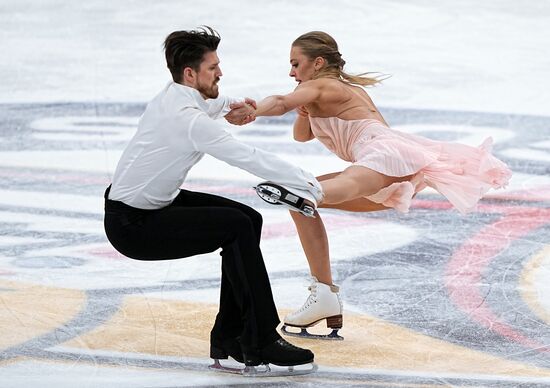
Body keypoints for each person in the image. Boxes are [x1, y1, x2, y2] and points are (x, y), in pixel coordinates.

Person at [227, 30, 512, 339]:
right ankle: (324, 295)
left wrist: (254, 110)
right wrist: (304, 112)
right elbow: (302, 135)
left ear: (318, 63)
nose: (291, 72)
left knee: (313, 192)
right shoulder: (322, 91)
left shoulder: (325, 85)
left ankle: (308, 195)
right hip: (387, 160)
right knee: (300, 206)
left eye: (296, 64)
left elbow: (281, 101)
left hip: (383, 152)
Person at [103, 26, 323, 373]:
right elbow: (246, 156)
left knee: (249, 219)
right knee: (235, 226)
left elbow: (218, 102)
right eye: (212, 68)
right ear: (190, 74)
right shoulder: (186, 119)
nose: (220, 72)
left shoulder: (176, 94)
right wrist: (307, 182)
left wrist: (239, 106)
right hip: (133, 226)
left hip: (150, 205)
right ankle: (262, 340)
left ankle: (229, 339)